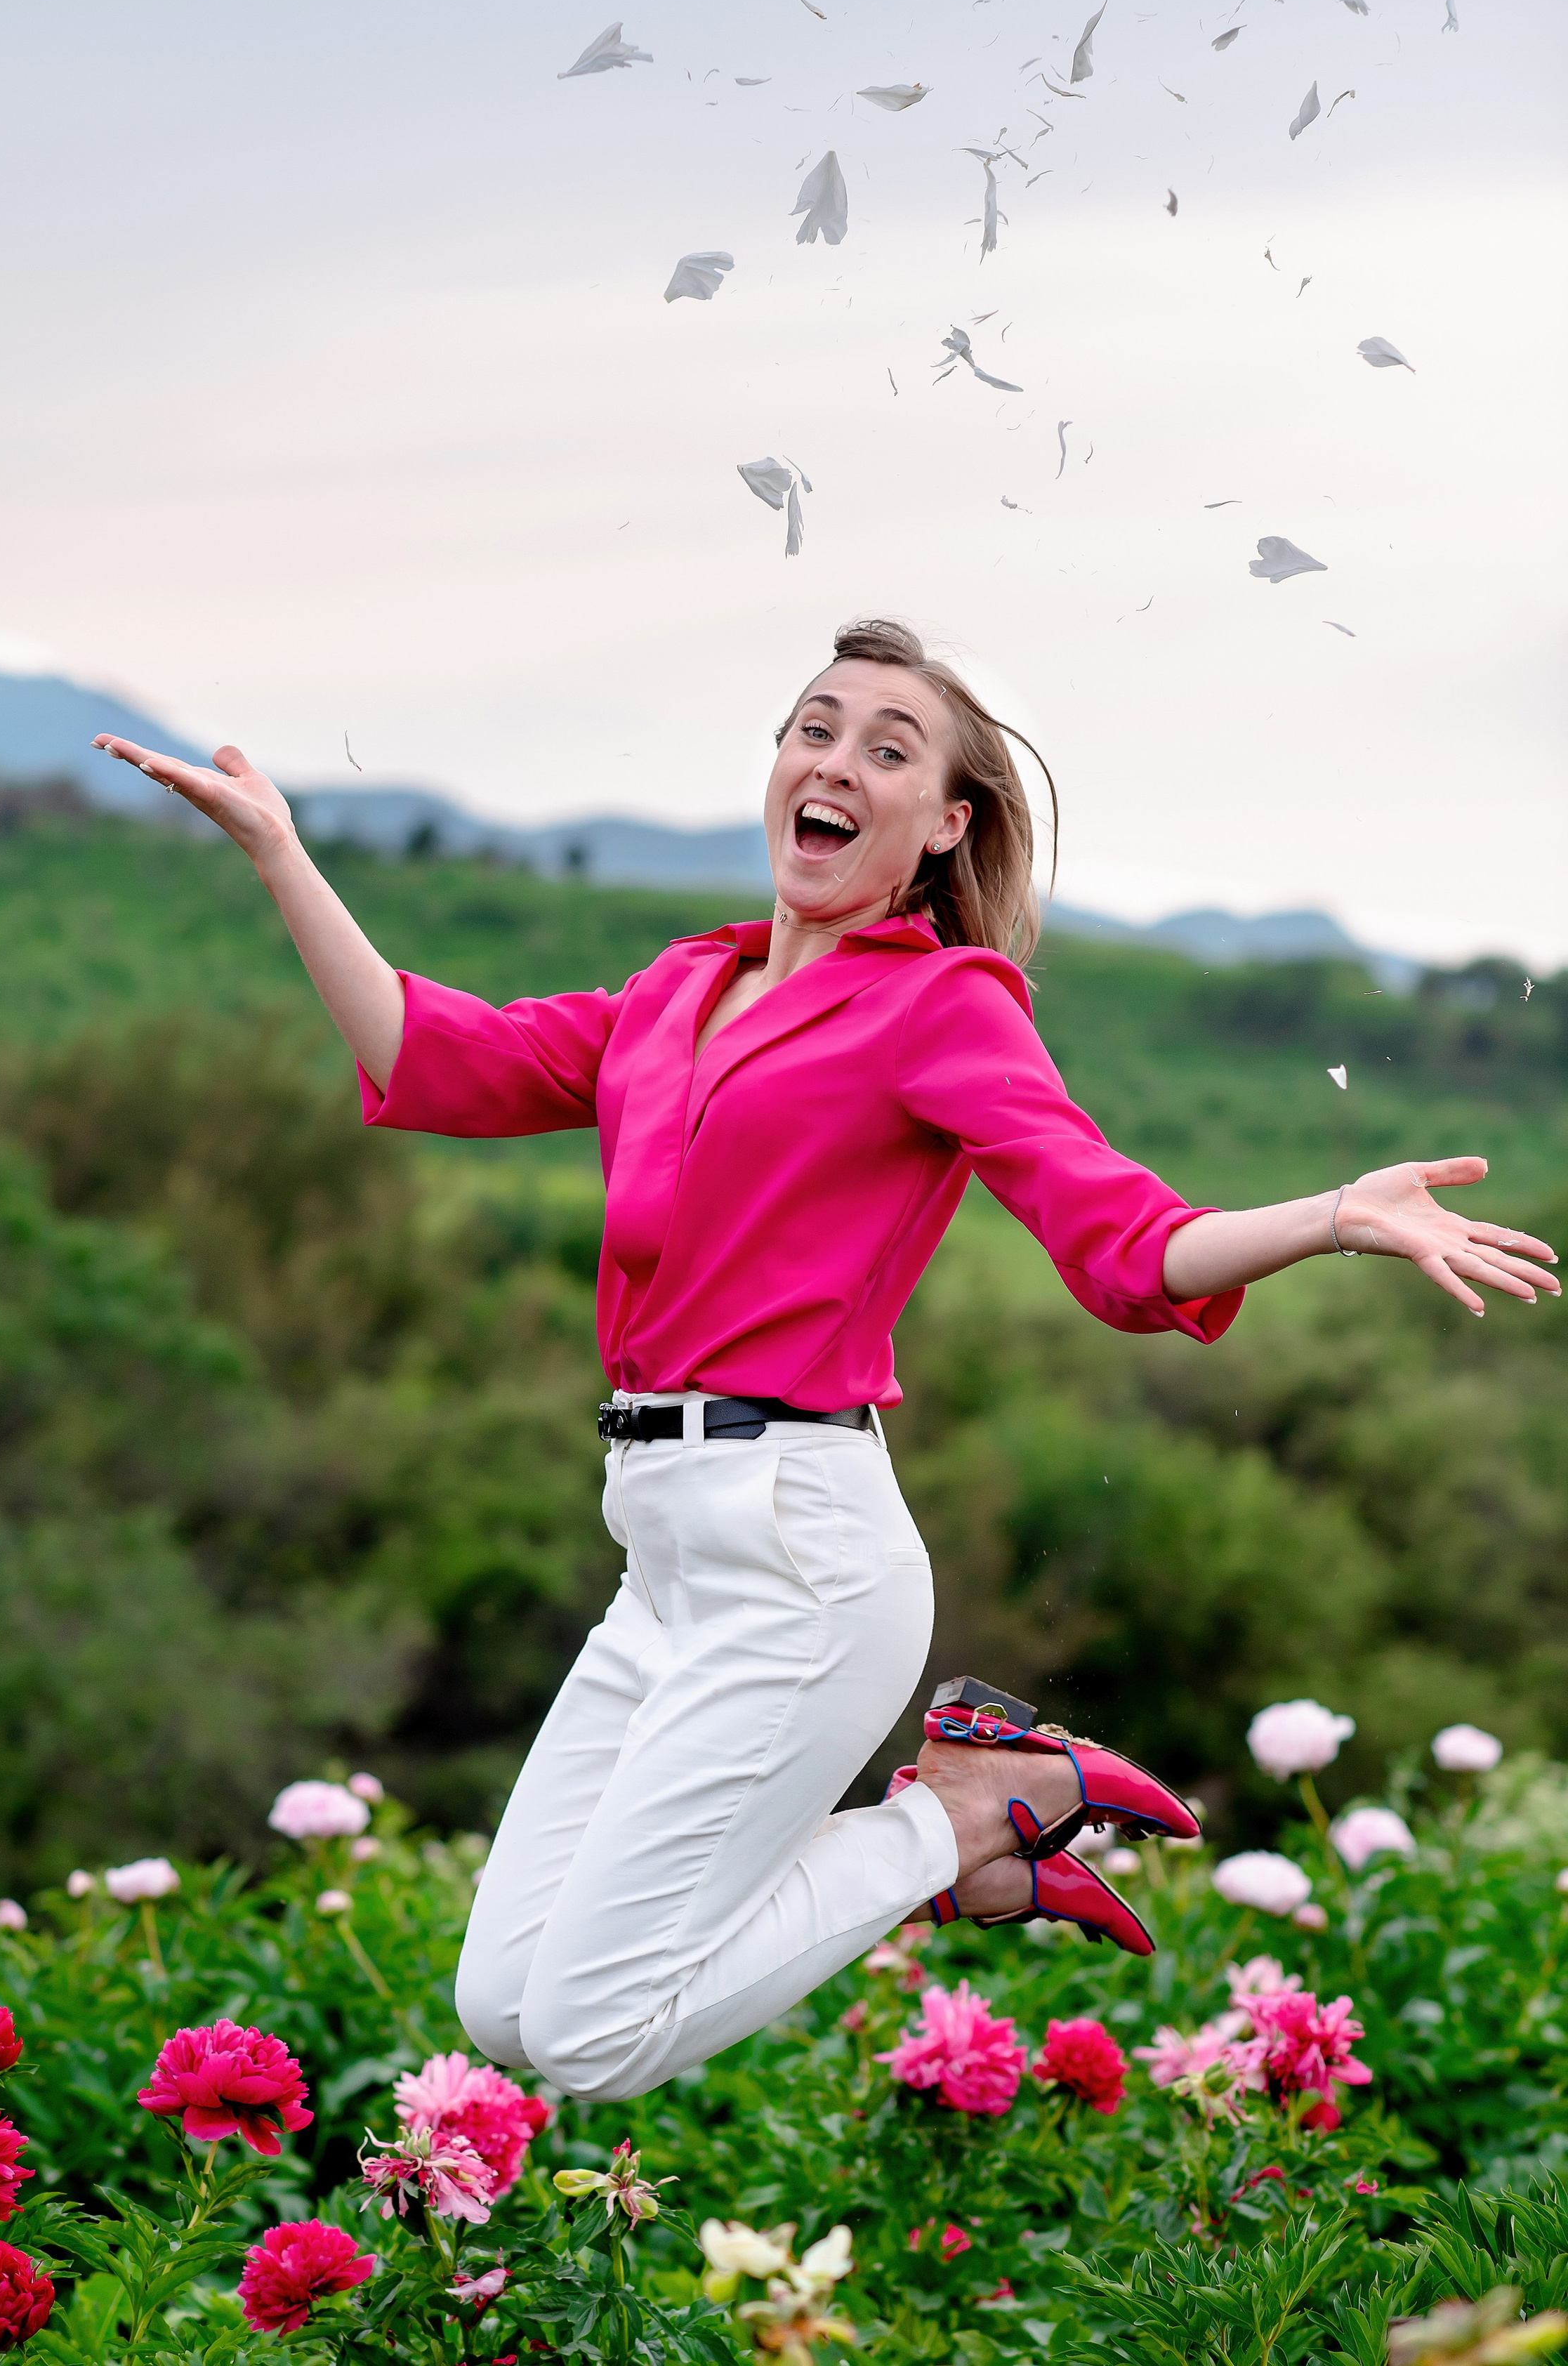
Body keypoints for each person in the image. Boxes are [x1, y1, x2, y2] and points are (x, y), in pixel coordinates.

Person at [94, 617, 1557, 2101]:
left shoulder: (940, 1007)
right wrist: (279, 848)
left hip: (799, 1551)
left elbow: (1120, 1236)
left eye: (887, 747)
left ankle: (970, 1818)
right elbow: (431, 1052)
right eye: (816, 725)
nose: (835, 760)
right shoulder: (675, 993)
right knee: (505, 2010)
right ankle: (961, 1824)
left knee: (592, 2037)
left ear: (942, 826)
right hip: (660, 1553)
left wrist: (1331, 1216)